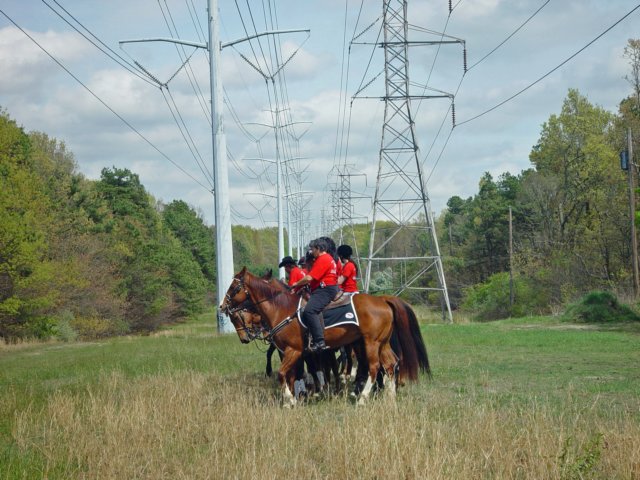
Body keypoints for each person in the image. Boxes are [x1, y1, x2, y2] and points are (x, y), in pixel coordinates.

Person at [290, 237, 339, 352]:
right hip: (326, 288)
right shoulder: (328, 258)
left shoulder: (323, 259)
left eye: (312, 249)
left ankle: (319, 341)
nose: (311, 251)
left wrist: (295, 284)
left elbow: (309, 277)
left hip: (324, 290)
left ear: (319, 248)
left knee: (310, 310)